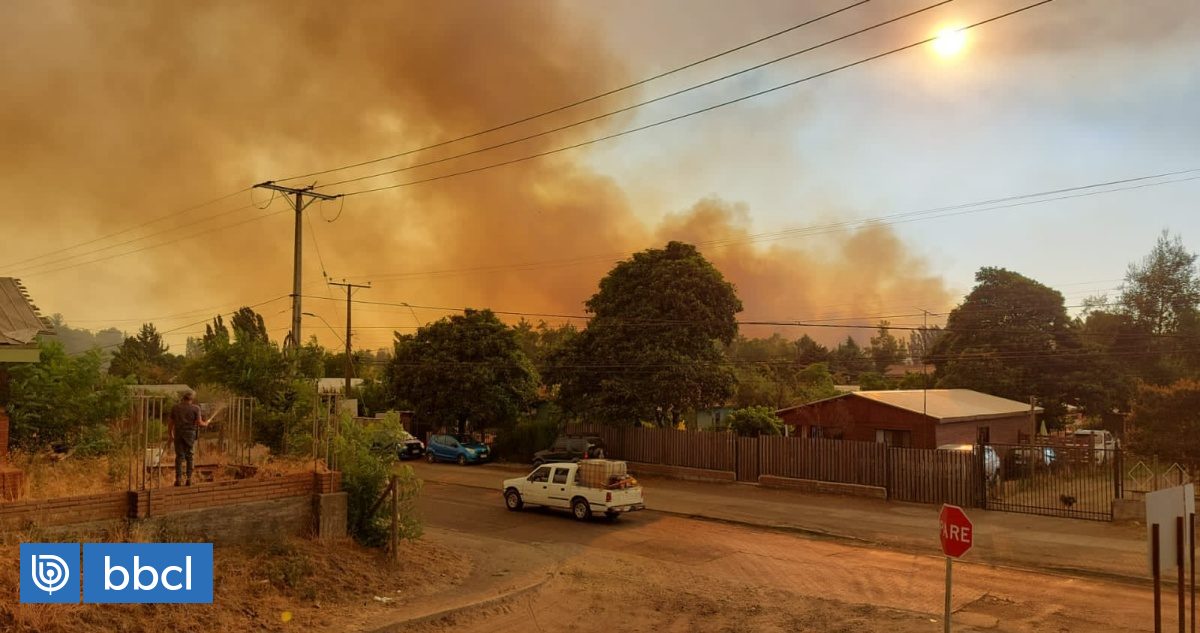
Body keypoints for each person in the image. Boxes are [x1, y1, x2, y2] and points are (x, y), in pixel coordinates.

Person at [167, 389, 208, 486]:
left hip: (178, 434)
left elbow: (170, 423)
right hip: (190, 434)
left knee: (179, 457)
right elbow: (199, 423)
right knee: (190, 456)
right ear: (192, 399)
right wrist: (205, 424)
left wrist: (170, 434)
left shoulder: (175, 408)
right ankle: (189, 479)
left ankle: (178, 479)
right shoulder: (195, 408)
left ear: (183, 398)